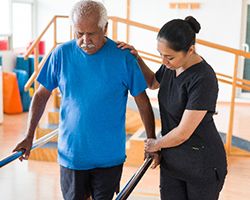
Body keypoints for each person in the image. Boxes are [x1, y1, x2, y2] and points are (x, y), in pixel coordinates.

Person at [13, 1, 159, 199]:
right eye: (79, 33)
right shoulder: (61, 54)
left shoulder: (123, 57)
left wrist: (151, 140)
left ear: (105, 28)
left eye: (91, 33)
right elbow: (41, 95)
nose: (84, 40)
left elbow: (143, 101)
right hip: (72, 156)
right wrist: (29, 135)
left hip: (109, 157)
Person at [118, 16, 227, 199]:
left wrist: (155, 144)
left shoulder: (204, 78)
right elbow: (153, 82)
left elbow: (184, 132)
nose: (163, 61)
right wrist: (137, 58)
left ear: (190, 50)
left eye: (169, 57)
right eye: (160, 54)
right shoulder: (172, 66)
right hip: (173, 161)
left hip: (202, 164)